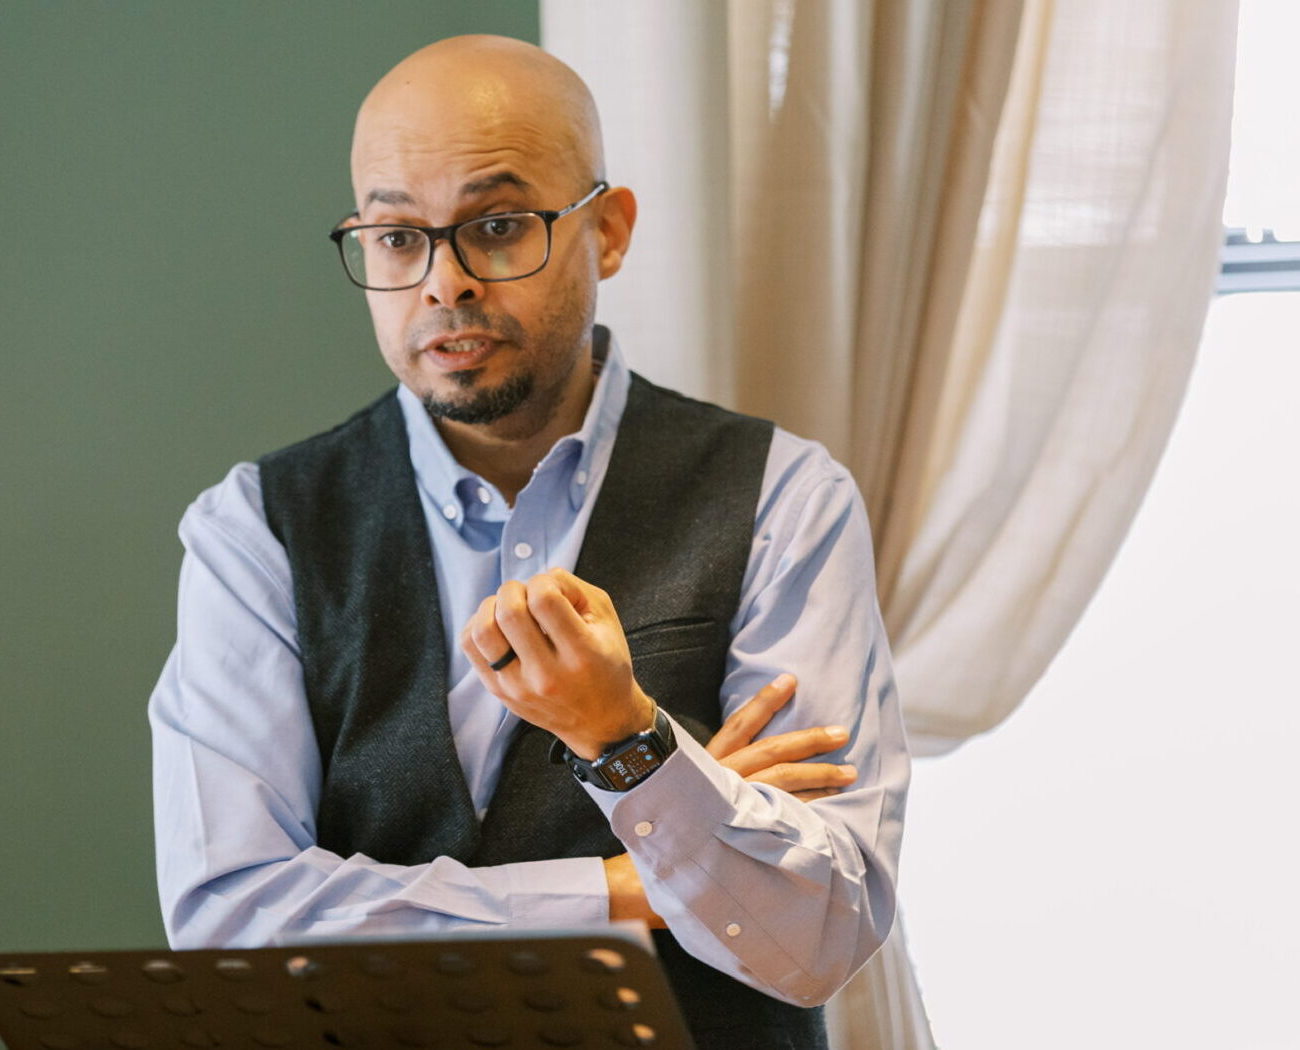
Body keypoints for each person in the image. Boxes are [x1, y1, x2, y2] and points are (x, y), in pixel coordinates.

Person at [149, 34, 909, 1050]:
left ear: (609, 232)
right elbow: (231, 920)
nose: (444, 283)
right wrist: (618, 889)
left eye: (498, 226)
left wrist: (626, 737)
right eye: (396, 238)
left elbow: (819, 934)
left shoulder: (783, 499)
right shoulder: (257, 531)